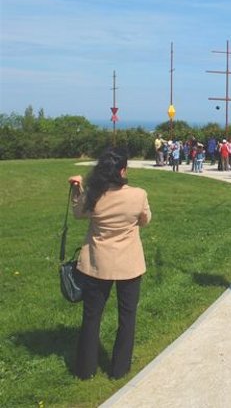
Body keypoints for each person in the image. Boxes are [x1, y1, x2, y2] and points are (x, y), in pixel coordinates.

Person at [67, 148, 151, 380]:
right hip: (129, 264)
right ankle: (119, 369)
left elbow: (77, 213)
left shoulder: (94, 195)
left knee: (92, 316)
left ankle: (85, 370)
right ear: (123, 170)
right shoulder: (138, 195)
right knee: (127, 316)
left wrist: (77, 190)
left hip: (97, 262)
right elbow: (145, 220)